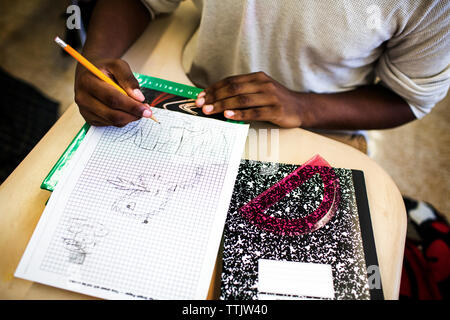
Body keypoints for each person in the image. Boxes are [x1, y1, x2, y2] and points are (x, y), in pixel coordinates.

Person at [74, 0, 449, 130]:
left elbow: (409, 98)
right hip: (193, 92)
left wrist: (304, 107)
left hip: (323, 123)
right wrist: (94, 61)